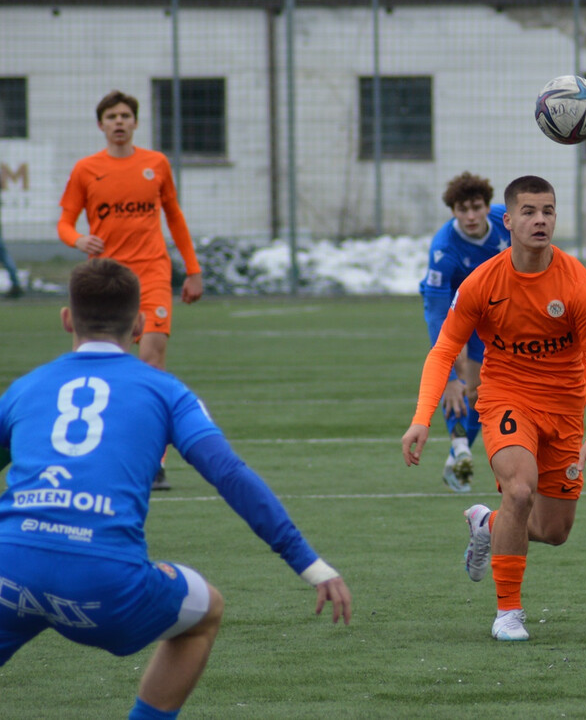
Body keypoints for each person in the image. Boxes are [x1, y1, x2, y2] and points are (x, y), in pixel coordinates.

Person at [0, 258, 352, 720]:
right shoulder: (167, 392)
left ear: (67, 318)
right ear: (141, 324)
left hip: (10, 567)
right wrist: (309, 564)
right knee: (205, 612)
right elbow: (229, 474)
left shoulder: (23, 390)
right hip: (104, 581)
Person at [402, 175, 586, 641]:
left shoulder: (577, 284)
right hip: (506, 397)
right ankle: (508, 614)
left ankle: (488, 524)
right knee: (520, 491)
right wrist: (422, 419)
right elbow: (444, 351)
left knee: (554, 530)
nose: (540, 220)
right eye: (529, 211)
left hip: (563, 408)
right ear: (510, 219)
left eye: (548, 211)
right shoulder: (483, 282)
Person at [58, 89, 205, 489]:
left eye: (125, 115)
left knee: (151, 360)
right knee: (97, 363)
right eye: (111, 117)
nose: (119, 122)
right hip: (105, 279)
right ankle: (92, 450)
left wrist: (192, 270)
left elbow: (174, 217)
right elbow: (65, 222)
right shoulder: (87, 169)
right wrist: (78, 241)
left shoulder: (155, 164)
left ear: (135, 122)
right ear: (101, 125)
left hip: (152, 275)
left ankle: (152, 461)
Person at [419, 171, 510, 493]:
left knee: (478, 392)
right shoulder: (444, 250)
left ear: (488, 206)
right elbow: (436, 313)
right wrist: (447, 378)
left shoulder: (505, 221)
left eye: (476, 207)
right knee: (458, 385)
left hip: (495, 313)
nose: (470, 216)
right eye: (462, 209)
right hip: (458, 315)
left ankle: (457, 456)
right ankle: (459, 447)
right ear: (453, 211)